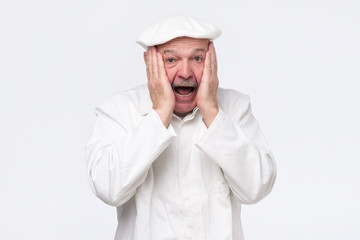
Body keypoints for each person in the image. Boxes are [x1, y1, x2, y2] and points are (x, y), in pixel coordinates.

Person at [86, 15, 276, 240]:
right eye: (171, 60)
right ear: (150, 63)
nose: (185, 73)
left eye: (196, 58)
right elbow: (108, 189)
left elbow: (257, 187)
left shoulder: (236, 108)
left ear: (211, 62)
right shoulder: (118, 111)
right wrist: (159, 114)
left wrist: (212, 112)